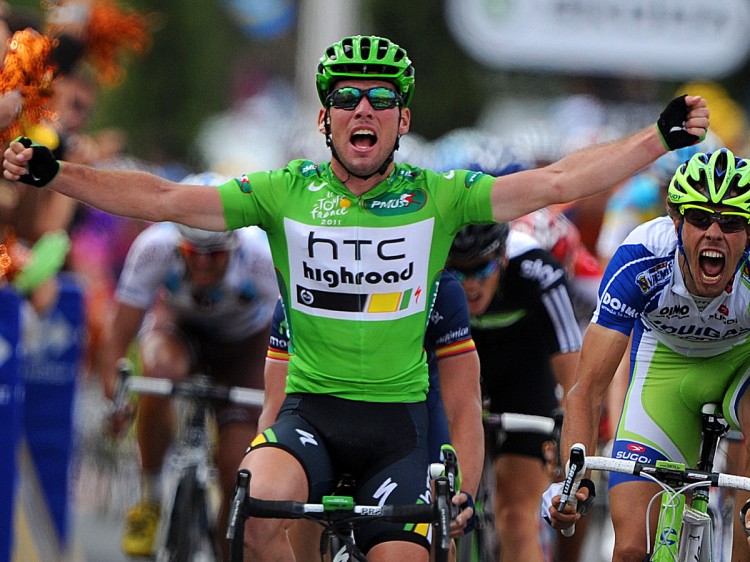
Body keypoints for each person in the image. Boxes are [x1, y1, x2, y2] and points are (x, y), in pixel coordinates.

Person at [1, 34, 709, 562]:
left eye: (380, 99)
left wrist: (657, 137)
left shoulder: (439, 197)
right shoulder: (286, 193)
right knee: (252, 515)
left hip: (400, 429)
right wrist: (56, 172)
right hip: (311, 416)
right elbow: (160, 196)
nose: (362, 108)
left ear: (402, 120)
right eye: (346, 97)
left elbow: (557, 182)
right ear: (325, 120)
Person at [546, 149, 750, 562]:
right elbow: (586, 389)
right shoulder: (642, 258)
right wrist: (575, 483)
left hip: (740, 364)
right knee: (632, 549)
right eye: (698, 218)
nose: (714, 232)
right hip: (665, 369)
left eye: (731, 222)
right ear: (676, 222)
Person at [96, 173, 278, 559]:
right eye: (194, 254)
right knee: (158, 374)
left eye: (216, 255)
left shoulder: (262, 257)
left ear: (236, 243)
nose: (205, 265)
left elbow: (296, 340)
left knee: (235, 467)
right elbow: (118, 334)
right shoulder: (154, 247)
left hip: (244, 347)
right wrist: (116, 397)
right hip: (181, 332)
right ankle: (150, 497)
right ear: (177, 244)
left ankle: (227, 541)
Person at [258, 269, 482, 561]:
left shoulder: (439, 288)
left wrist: (462, 497)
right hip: (317, 426)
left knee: (438, 539)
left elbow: (464, 406)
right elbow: (274, 404)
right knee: (293, 520)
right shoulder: (303, 286)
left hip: (408, 423)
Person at [447, 223, 581, 562]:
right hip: (458, 368)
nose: (471, 284)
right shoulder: (431, 266)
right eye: (458, 272)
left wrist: (567, 429)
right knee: (441, 515)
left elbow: (574, 373)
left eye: (482, 268)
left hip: (525, 373)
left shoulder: (537, 269)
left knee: (516, 515)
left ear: (503, 257)